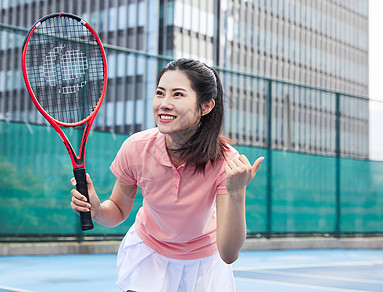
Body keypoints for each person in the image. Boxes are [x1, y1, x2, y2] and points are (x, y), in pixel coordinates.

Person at [70, 58, 264, 292]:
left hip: (203, 260)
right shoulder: (136, 147)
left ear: (206, 106)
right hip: (149, 251)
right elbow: (119, 211)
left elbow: (229, 254)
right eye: (160, 93)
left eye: (178, 95)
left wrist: (236, 193)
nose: (164, 103)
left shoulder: (226, 161)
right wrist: (98, 209)